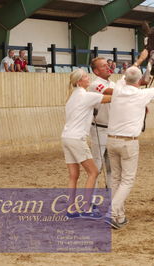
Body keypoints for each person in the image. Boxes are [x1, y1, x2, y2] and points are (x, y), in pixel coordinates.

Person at [104, 49, 154, 229]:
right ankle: (111, 211)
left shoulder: (118, 88)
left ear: (125, 79)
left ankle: (119, 216)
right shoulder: (142, 95)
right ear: (140, 81)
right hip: (128, 142)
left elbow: (130, 73)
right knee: (127, 180)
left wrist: (140, 60)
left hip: (111, 140)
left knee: (116, 178)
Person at [61, 68, 111, 219]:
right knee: (93, 172)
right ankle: (87, 208)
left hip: (66, 137)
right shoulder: (86, 95)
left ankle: (71, 209)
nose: (88, 78)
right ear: (79, 81)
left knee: (73, 175)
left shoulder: (72, 97)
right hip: (77, 139)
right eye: (85, 76)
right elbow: (109, 98)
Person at [89, 57, 115, 187]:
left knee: (112, 165)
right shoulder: (95, 84)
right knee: (97, 165)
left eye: (108, 64)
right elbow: (109, 93)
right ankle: (92, 198)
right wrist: (132, 92)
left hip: (111, 129)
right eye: (104, 66)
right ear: (96, 71)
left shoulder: (113, 83)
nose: (108, 66)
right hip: (99, 129)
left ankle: (109, 191)